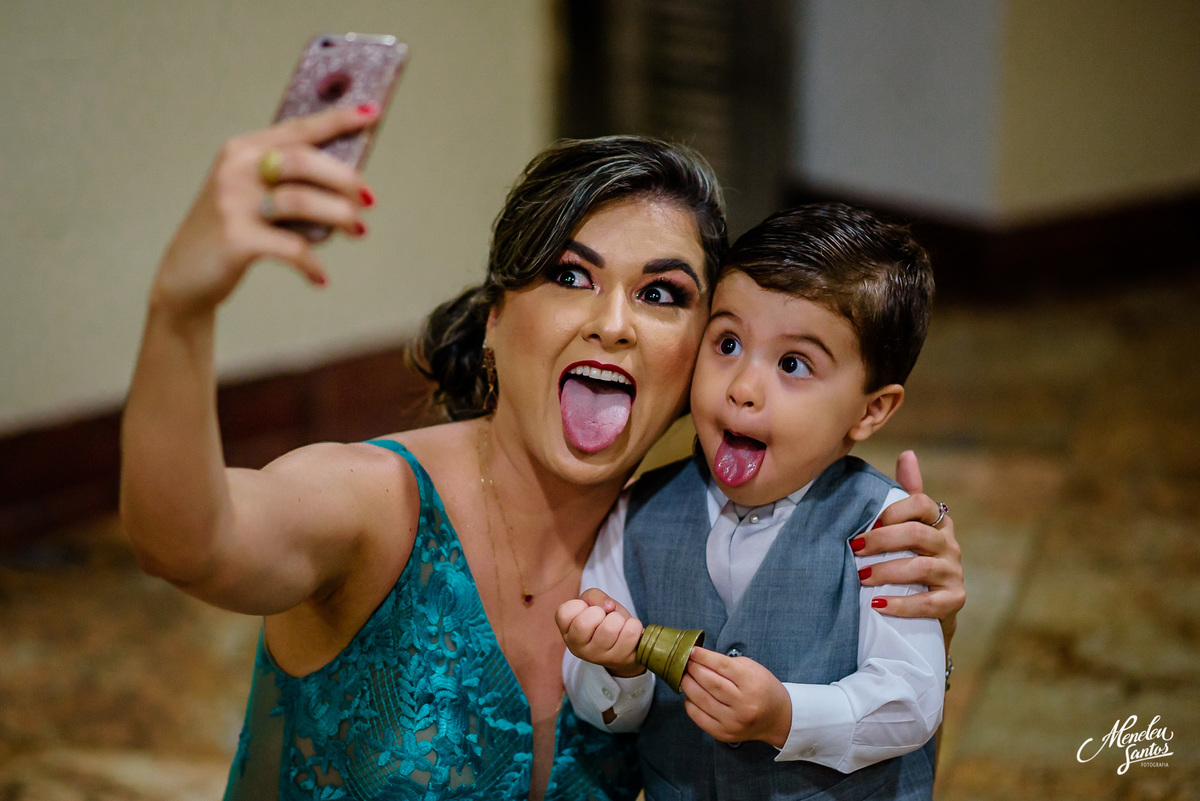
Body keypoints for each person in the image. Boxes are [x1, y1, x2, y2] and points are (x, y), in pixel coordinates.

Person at [119, 104, 964, 801]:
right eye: (571, 276)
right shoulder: (374, 501)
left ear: (698, 353)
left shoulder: (689, 525)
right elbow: (191, 540)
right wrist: (180, 310)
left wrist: (919, 594)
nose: (616, 322)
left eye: (663, 294)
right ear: (495, 317)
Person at [557, 203, 947, 800]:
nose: (742, 389)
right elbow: (608, 713)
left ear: (871, 409)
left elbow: (913, 698)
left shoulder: (884, 528)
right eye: (729, 342)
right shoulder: (638, 517)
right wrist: (617, 666)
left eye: (794, 364)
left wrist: (789, 715)